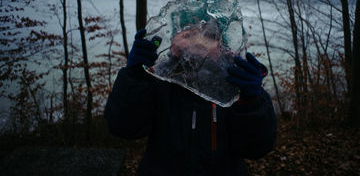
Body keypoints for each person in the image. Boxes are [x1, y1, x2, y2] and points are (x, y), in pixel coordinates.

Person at [104, 27, 277, 175]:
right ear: (172, 43)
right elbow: (123, 127)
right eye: (187, 35)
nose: (198, 41)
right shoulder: (157, 79)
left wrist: (251, 102)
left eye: (209, 36)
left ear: (223, 47)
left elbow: (257, 148)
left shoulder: (235, 86)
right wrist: (134, 76)